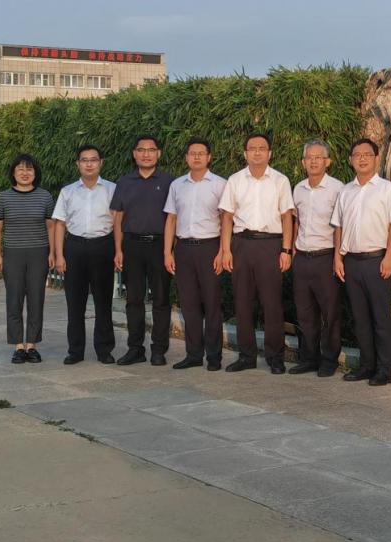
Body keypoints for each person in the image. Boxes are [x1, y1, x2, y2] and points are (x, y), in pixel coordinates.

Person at [332, 138, 391, 386]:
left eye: (367, 154)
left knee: (380, 318)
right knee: (360, 317)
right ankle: (366, 365)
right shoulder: (345, 191)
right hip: (352, 262)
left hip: (377, 261)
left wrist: (389, 257)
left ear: (376, 158)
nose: (362, 158)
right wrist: (338, 257)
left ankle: (384, 369)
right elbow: (338, 226)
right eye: (357, 155)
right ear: (350, 160)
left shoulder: (388, 189)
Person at [219, 134, 294, 374]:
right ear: (245, 153)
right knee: (242, 302)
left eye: (262, 148)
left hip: (271, 245)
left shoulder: (280, 180)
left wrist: (286, 250)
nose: (257, 152)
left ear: (270, 153)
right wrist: (226, 250)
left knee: (272, 304)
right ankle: (247, 356)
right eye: (252, 148)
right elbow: (227, 217)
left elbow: (287, 217)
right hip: (242, 244)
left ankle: (275, 357)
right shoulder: (235, 180)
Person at [164, 138, 228, 371]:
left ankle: (214, 356)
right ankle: (193, 354)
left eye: (201, 153)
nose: (197, 157)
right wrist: (168, 252)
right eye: (193, 153)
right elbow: (171, 219)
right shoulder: (177, 185)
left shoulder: (220, 184)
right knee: (188, 303)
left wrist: (223, 251)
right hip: (183, 249)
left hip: (210, 248)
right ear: (187, 157)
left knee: (211, 303)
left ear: (209, 157)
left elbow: (226, 220)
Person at [110, 135, 175, 366]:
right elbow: (118, 219)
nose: (146, 154)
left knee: (161, 299)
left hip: (159, 245)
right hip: (132, 245)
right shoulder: (124, 182)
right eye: (141, 150)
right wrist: (118, 249)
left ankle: (159, 350)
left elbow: (174, 219)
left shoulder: (170, 182)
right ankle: (135, 349)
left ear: (159, 153)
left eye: (151, 149)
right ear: (134, 154)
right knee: (133, 300)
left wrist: (169, 251)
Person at [52, 144, 117, 365]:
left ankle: (104, 350)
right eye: (84, 160)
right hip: (75, 248)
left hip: (103, 247)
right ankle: (75, 350)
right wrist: (59, 255)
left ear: (101, 163)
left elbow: (119, 223)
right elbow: (59, 224)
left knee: (103, 302)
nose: (89, 164)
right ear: (77, 164)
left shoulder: (112, 189)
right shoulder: (68, 191)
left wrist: (118, 251)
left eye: (93, 160)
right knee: (74, 303)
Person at [0, 154, 56, 365]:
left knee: (36, 299)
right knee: (14, 300)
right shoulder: (3, 197)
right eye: (20, 169)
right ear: (13, 173)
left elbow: (51, 226)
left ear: (35, 173)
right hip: (13, 254)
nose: (25, 173)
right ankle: (18, 346)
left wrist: (52, 253)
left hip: (39, 253)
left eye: (29, 169)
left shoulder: (45, 197)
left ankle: (32, 345)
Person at [289, 140, 344, 377]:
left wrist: (337, 257)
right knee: (305, 311)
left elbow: (341, 225)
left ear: (327, 161)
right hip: (302, 257)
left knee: (330, 313)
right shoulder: (298, 189)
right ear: (303, 162)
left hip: (325, 257)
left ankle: (329, 360)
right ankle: (309, 358)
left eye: (318, 157)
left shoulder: (338, 188)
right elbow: (296, 221)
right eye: (309, 158)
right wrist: (293, 251)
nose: (313, 161)